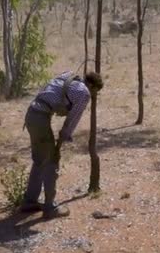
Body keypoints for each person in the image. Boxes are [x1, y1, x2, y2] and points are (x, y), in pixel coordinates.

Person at [20, 70, 104, 219]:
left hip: (32, 114)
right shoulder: (84, 93)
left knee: (40, 160)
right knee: (51, 162)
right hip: (40, 119)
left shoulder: (68, 75)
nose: (93, 95)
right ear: (91, 85)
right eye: (95, 92)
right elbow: (71, 121)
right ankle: (50, 207)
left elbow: (49, 89)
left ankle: (30, 201)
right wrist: (60, 143)